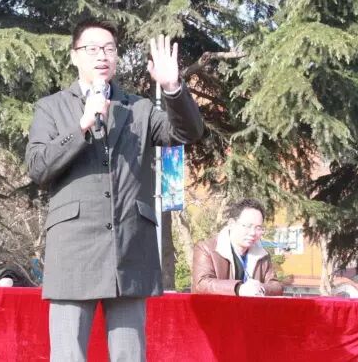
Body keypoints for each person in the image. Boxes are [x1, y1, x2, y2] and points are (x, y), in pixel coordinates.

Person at [25, 18, 203, 361]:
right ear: (74, 56)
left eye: (109, 49)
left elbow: (187, 133)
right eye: (92, 49)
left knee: (129, 355)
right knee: (68, 355)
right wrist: (82, 125)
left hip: (129, 249)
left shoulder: (139, 108)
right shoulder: (52, 107)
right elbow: (38, 167)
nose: (102, 56)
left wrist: (172, 88)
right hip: (74, 250)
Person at [192, 198, 283, 296]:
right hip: (216, 306)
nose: (253, 233)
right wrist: (238, 289)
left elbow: (276, 286)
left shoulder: (262, 255)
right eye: (247, 226)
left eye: (258, 228)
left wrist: (261, 288)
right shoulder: (206, 249)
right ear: (231, 224)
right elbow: (201, 284)